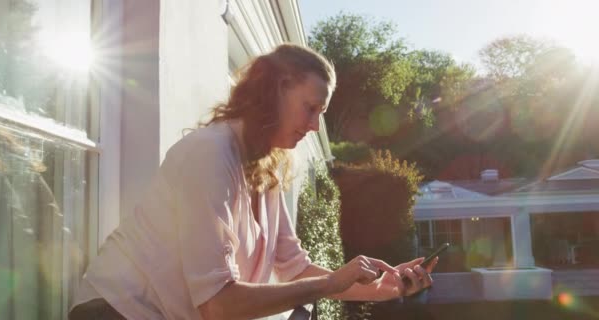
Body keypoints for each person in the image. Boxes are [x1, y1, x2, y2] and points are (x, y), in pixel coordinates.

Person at [69, 43, 437, 320]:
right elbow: (219, 304)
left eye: (320, 115)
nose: (313, 126)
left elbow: (294, 267)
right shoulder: (210, 154)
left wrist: (386, 287)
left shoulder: (269, 170)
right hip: (115, 312)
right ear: (275, 88)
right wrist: (329, 283)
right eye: (311, 108)